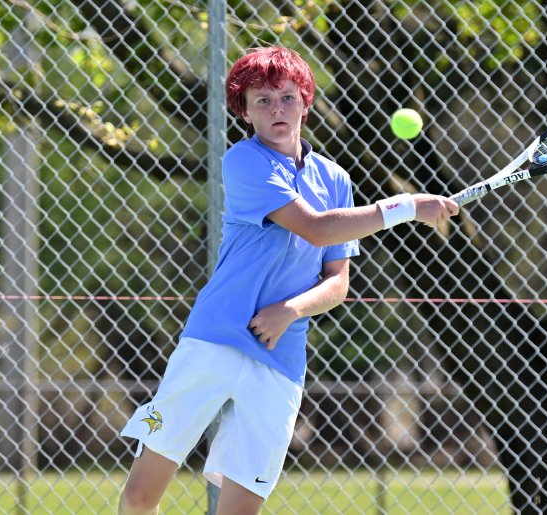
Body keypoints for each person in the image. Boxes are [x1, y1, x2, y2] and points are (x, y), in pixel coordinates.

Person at [118, 46, 459, 515]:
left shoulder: (334, 179)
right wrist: (408, 206)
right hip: (215, 340)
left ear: (305, 102)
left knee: (239, 510)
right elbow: (316, 227)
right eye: (262, 100)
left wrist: (291, 311)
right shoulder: (244, 161)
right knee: (140, 497)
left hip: (280, 360)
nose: (276, 109)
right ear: (244, 111)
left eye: (287, 97)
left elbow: (337, 283)